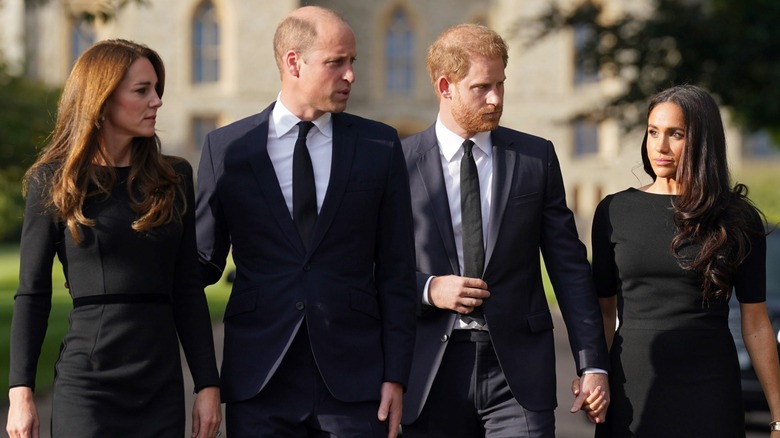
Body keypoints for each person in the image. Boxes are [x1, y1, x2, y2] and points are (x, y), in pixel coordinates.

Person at [194, 6, 417, 438]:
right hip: (260, 380)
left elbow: (397, 272)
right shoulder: (227, 148)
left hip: (355, 382)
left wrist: (396, 374)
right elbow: (202, 262)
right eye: (337, 62)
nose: (351, 75)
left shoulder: (380, 145)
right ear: (294, 62)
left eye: (353, 62)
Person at [400, 23, 610, 437]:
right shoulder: (397, 164)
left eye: (501, 85)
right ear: (445, 86)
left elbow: (568, 267)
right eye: (482, 87)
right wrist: (429, 289)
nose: (496, 99)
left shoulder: (536, 158)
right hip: (427, 371)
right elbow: (368, 267)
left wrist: (592, 364)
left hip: (517, 374)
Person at [5, 39, 221, 437]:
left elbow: (188, 288)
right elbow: (32, 293)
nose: (156, 100)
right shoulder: (53, 181)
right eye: (142, 90)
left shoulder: (174, 179)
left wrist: (207, 384)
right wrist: (21, 393)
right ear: (102, 99)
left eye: (157, 89)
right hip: (87, 385)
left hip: (160, 383)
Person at [588, 84, 780, 437]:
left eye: (675, 134)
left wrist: (779, 416)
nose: (660, 147)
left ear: (703, 141)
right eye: (653, 132)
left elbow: (755, 323)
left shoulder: (737, 218)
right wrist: (592, 375)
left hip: (711, 388)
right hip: (632, 384)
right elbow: (603, 311)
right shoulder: (614, 211)